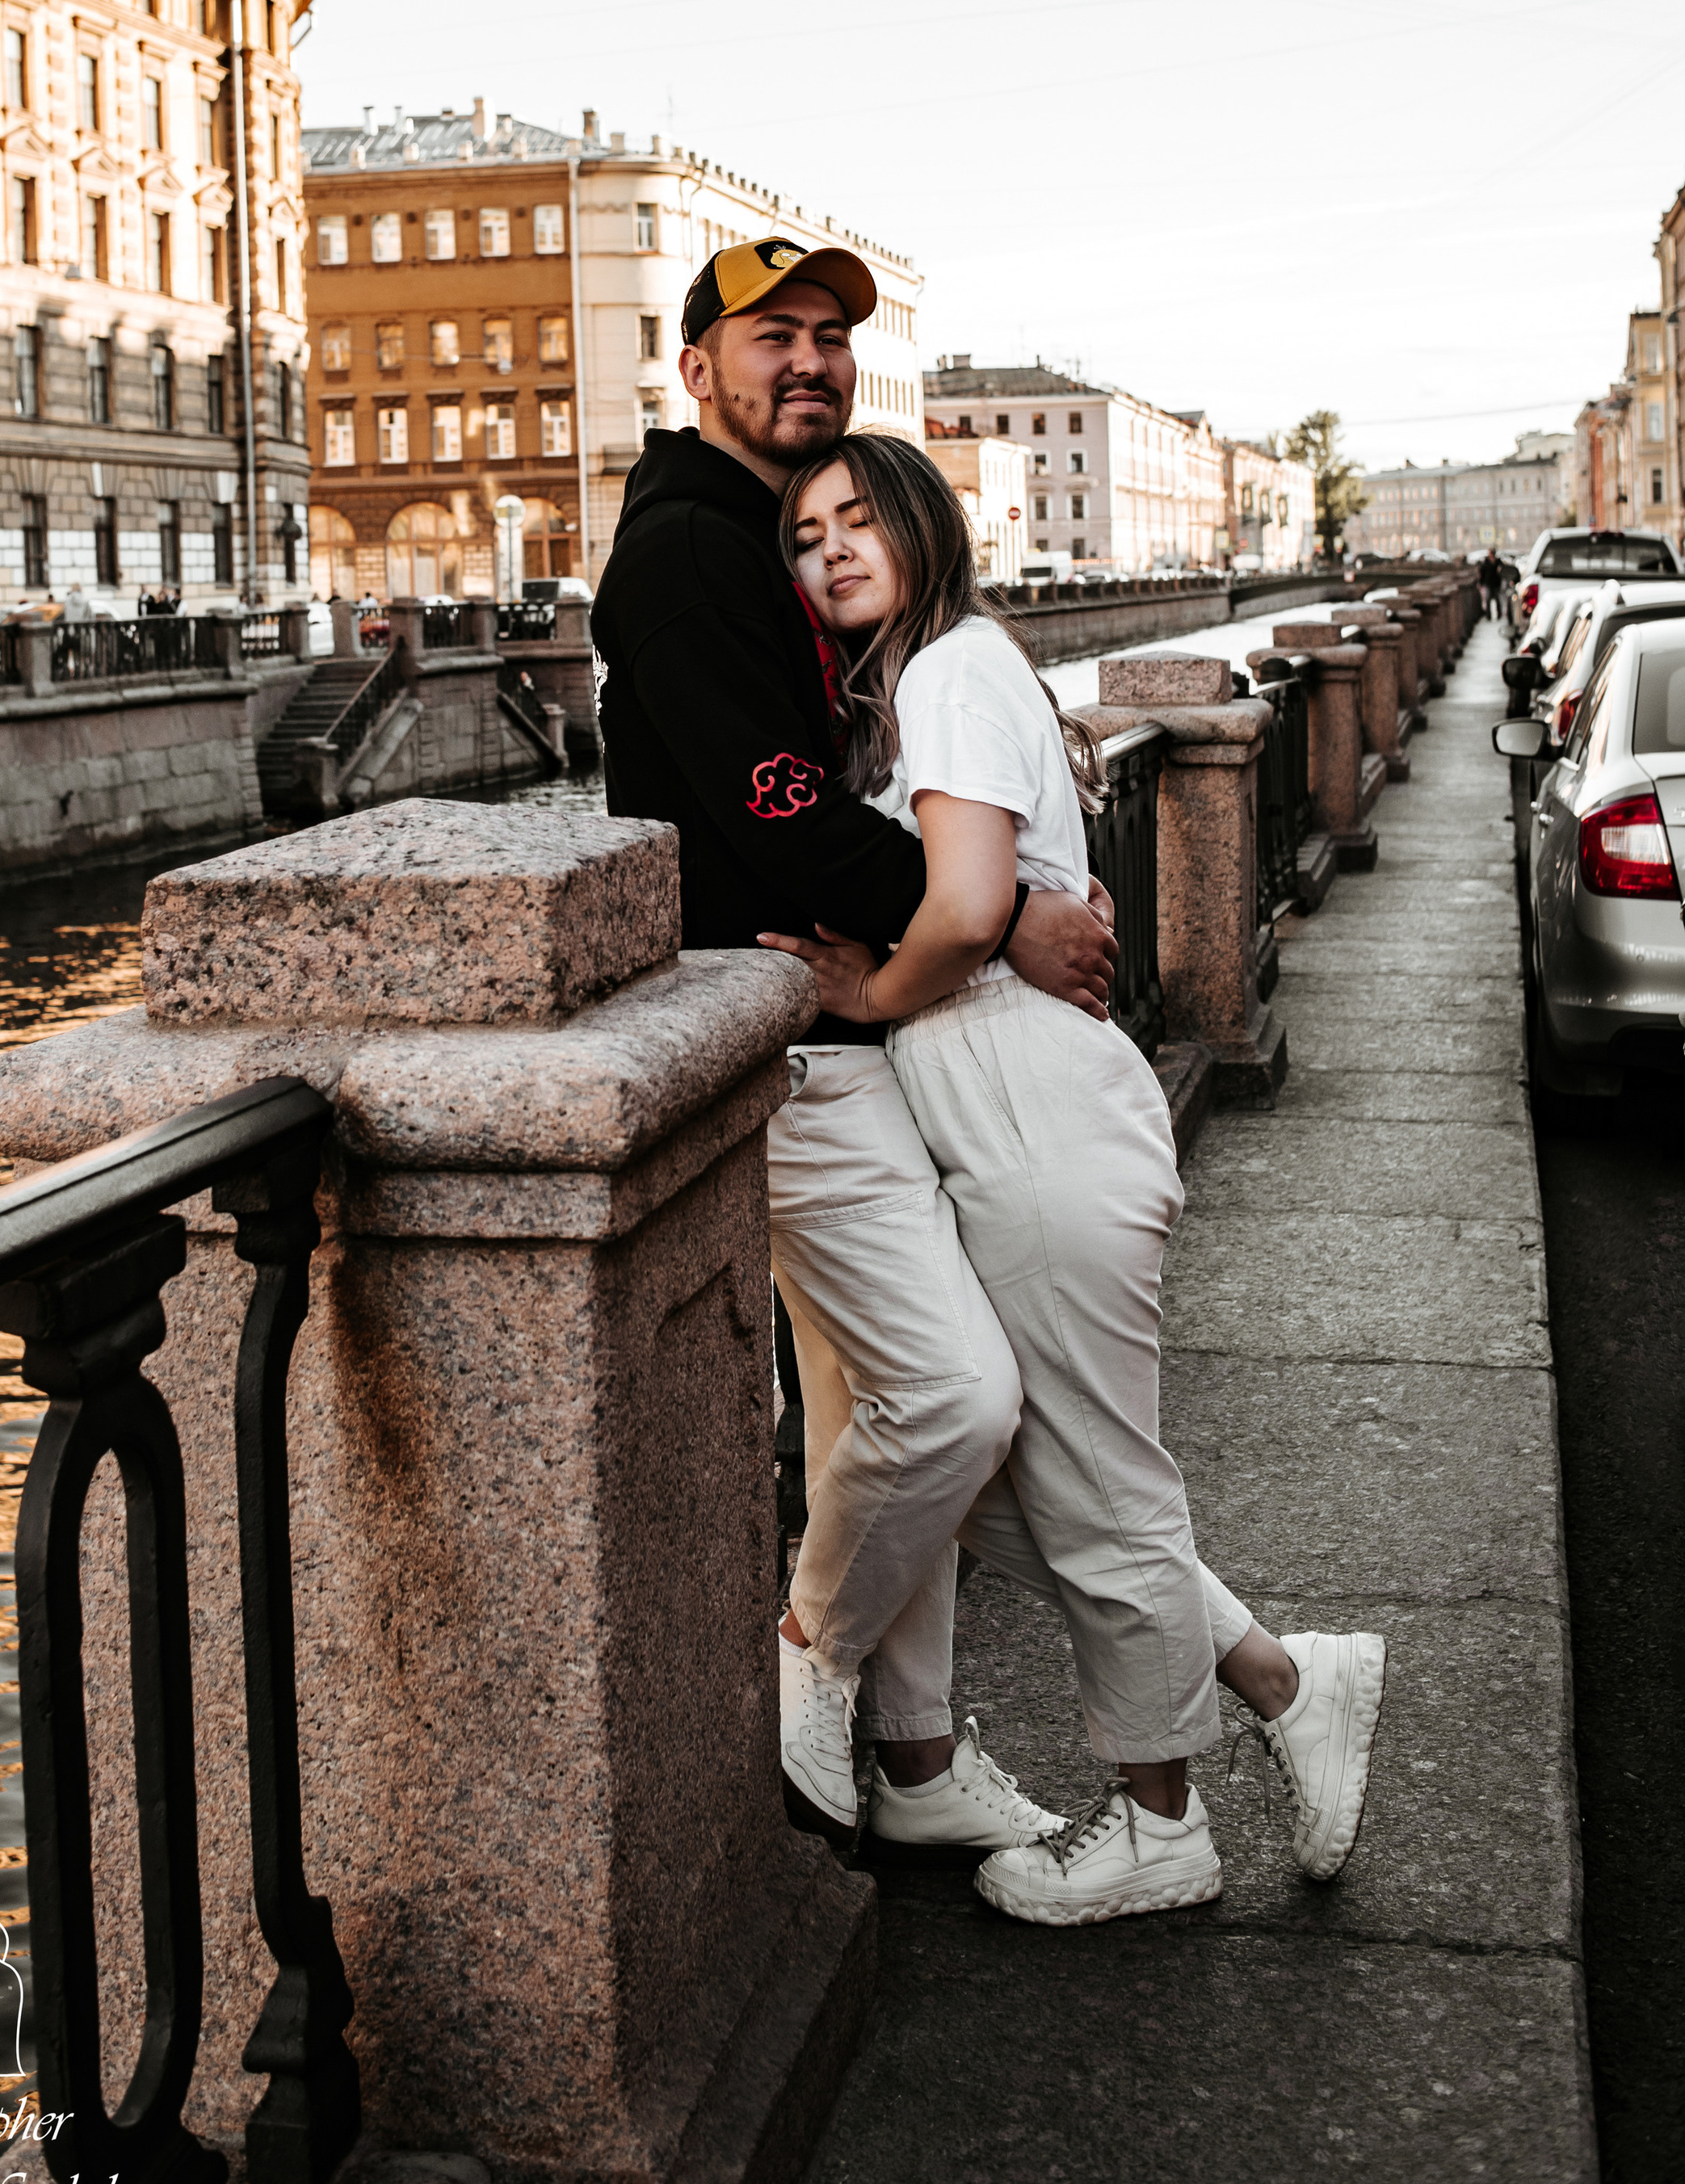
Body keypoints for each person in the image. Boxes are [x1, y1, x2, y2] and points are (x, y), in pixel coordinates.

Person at [761, 433, 1387, 1923]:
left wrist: (856, 995)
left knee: (1103, 1490)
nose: (834, 548)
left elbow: (971, 903)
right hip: (1016, 1106)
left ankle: (1164, 1827)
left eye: (862, 519)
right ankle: (1281, 1678)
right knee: (1006, 1484)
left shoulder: (947, 670)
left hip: (1032, 1105)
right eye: (806, 534)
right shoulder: (940, 675)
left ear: (924, 525)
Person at [595, 235, 1117, 1855]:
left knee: (861, 1409)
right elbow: (766, 794)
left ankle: (913, 1759)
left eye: (826, 336)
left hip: (830, 1012)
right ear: (696, 371)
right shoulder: (685, 549)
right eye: (769, 337)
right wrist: (995, 908)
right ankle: (803, 1657)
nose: (805, 361)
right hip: (780, 1021)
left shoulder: (760, 536)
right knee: (951, 1398)